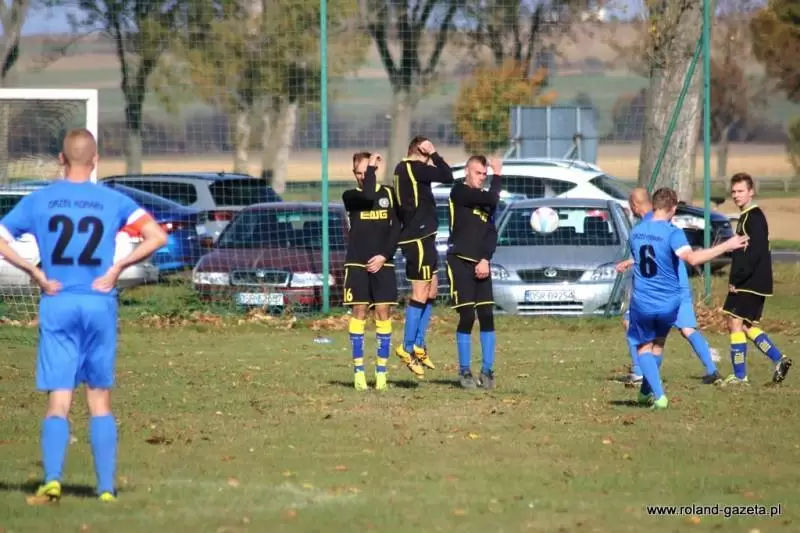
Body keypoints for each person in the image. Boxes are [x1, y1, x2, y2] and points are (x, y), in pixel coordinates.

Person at [0, 129, 168, 502]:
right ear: (96, 161)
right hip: (98, 301)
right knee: (99, 398)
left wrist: (35, 272)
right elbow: (157, 236)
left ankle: (52, 479)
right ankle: (105, 488)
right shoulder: (114, 200)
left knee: (59, 398)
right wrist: (117, 268)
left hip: (58, 300)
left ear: (61, 160)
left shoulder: (39, 200)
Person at [627, 188, 746, 410]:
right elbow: (692, 258)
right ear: (673, 209)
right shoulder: (673, 233)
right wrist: (727, 245)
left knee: (643, 346)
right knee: (658, 344)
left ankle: (659, 396)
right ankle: (645, 392)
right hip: (669, 302)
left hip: (644, 301)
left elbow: (642, 260)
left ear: (655, 205)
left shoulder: (636, 232)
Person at [618, 187, 723, 386]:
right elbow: (661, 251)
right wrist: (632, 261)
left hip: (661, 289)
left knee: (632, 324)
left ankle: (640, 372)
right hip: (679, 283)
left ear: (634, 205)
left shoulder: (646, 225)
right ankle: (712, 370)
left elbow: (652, 253)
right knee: (686, 328)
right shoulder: (664, 222)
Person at [721, 172, 792, 385]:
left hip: (749, 282)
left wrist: (737, 279)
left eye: (741, 191)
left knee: (734, 322)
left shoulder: (754, 217)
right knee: (745, 325)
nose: (736, 195)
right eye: (733, 191)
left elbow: (754, 253)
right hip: (752, 281)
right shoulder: (747, 216)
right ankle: (779, 359)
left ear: (751, 192)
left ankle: (740, 377)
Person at [392, 136, 454, 377]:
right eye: (427, 152)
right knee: (420, 293)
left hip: (424, 236)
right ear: (420, 150)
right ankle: (406, 347)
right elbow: (447, 175)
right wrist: (434, 153)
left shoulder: (405, 169)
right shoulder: (413, 167)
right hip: (417, 238)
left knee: (432, 290)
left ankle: (419, 344)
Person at [341, 152, 400, 391]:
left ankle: (381, 373)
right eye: (359, 172)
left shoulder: (389, 195)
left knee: (383, 313)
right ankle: (359, 372)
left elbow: (397, 228)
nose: (363, 176)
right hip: (357, 263)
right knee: (359, 312)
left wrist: (384, 255)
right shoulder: (351, 196)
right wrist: (372, 171)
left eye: (367, 171)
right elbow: (367, 195)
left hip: (383, 263)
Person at [446, 155, 502, 389]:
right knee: (468, 316)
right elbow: (492, 197)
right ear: (467, 172)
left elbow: (491, 234)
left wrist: (485, 259)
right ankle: (465, 371)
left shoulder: (486, 201)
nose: (481, 178)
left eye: (485, 175)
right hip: (460, 261)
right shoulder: (459, 192)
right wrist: (498, 174)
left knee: (487, 315)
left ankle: (487, 371)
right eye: (478, 173)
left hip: (482, 264)